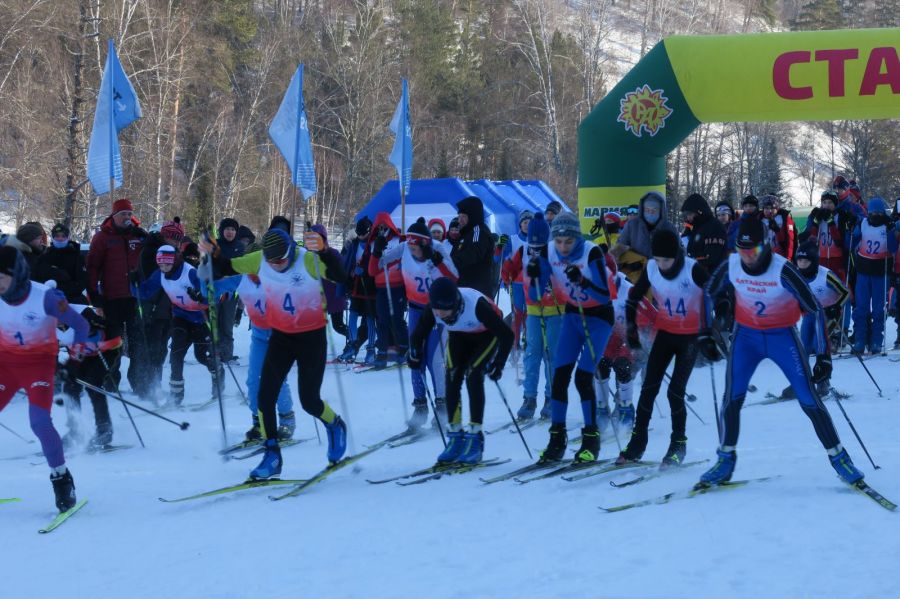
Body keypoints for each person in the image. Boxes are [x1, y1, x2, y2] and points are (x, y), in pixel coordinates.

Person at [697, 218, 865, 487]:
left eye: (753, 252)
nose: (747, 259)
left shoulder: (783, 270)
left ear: (766, 247)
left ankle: (839, 458)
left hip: (782, 337)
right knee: (732, 398)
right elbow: (707, 293)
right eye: (742, 252)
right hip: (746, 338)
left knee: (809, 400)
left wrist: (823, 355)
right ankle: (725, 460)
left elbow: (814, 308)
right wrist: (705, 332)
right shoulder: (732, 264)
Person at [203, 227, 349, 479]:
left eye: (280, 260)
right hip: (281, 336)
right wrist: (214, 254)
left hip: (311, 338)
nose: (276, 266)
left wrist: (325, 251)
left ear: (291, 251)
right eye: (271, 262)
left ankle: (335, 424)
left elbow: (340, 275)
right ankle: (272, 455)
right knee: (264, 396)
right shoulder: (260, 260)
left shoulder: (307, 259)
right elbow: (226, 267)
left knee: (309, 400)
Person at [0, 246, 91, 512]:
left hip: (38, 367)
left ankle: (61, 478)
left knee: (39, 422)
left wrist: (77, 353)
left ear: (15, 275)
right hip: (5, 366)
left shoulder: (46, 297)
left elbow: (81, 325)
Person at [617, 229, 708, 467]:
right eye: (657, 260)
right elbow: (634, 297)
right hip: (666, 334)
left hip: (689, 337)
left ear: (676, 256)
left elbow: (716, 292)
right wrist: (631, 330)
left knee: (675, 392)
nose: (661, 265)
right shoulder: (651, 268)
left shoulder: (691, 269)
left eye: (665, 260)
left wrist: (712, 326)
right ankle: (637, 443)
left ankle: (678, 444)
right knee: (648, 389)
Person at [531, 212, 614, 463]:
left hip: (598, 318)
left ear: (577, 237)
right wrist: (534, 273)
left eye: (568, 241)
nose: (563, 247)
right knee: (559, 378)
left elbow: (605, 295)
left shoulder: (591, 253)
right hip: (572, 316)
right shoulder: (548, 252)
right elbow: (536, 295)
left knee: (583, 377)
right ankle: (557, 439)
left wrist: (583, 282)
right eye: (559, 241)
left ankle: (591, 439)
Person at [409, 277, 513, 464]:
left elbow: (507, 335)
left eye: (444, 311)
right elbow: (419, 332)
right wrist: (414, 353)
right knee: (452, 377)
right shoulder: (436, 306)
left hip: (486, 335)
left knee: (473, 375)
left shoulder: (477, 306)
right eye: (437, 311)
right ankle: (456, 437)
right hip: (459, 335)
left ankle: (475, 438)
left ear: (455, 305)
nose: (440, 314)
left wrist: (499, 363)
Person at [375, 218, 457, 427]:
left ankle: (442, 406)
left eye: (415, 247)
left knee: (434, 360)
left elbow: (455, 278)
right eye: (409, 246)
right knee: (414, 358)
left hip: (438, 313)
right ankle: (420, 406)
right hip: (415, 310)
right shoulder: (404, 248)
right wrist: (377, 251)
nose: (411, 250)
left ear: (424, 244)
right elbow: (376, 267)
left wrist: (437, 261)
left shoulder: (438, 249)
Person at [216, 267, 296, 443]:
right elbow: (216, 288)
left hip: (280, 336)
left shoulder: (277, 277)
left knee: (277, 379)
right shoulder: (241, 278)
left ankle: (286, 419)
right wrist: (206, 289)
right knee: (253, 380)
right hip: (259, 337)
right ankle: (259, 422)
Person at [86, 198, 150, 398]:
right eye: (123, 214)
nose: (127, 218)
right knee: (114, 343)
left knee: (138, 343)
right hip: (111, 298)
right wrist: (94, 296)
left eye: (129, 214)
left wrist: (147, 238)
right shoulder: (102, 237)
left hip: (134, 297)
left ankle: (140, 384)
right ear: (114, 216)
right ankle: (111, 382)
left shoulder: (138, 235)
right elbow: (92, 268)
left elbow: (155, 253)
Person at [769, 242, 848, 399]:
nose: (802, 264)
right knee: (803, 348)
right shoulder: (796, 276)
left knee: (820, 345)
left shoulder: (825, 275)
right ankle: (800, 383)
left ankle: (823, 383)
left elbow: (844, 293)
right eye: (799, 261)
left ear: (814, 261)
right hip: (810, 315)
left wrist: (835, 306)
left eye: (806, 261)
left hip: (827, 315)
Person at [505, 213, 564, 420]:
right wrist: (508, 270)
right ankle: (529, 398)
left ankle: (551, 398)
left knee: (552, 356)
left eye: (539, 244)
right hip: (533, 312)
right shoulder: (522, 250)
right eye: (533, 243)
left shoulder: (555, 252)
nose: (535, 248)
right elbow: (512, 269)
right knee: (532, 355)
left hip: (555, 311)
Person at [60, 306, 122, 450]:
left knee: (93, 384)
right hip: (81, 355)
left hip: (105, 351)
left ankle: (104, 430)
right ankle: (75, 431)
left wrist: (97, 332)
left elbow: (116, 329)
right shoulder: (48, 324)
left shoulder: (84, 315)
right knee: (69, 386)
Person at [849, 197, 897, 355]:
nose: (874, 215)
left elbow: (893, 247)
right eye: (872, 212)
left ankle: (876, 340)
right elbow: (852, 239)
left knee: (878, 309)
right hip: (863, 271)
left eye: (878, 212)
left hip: (880, 273)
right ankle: (860, 340)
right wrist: (851, 228)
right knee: (861, 308)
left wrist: (891, 231)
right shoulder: (863, 223)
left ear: (883, 212)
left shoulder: (887, 225)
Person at [368, 212, 409, 368]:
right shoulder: (373, 244)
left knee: (397, 319)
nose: (382, 229)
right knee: (382, 320)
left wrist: (387, 262)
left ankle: (404, 348)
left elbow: (403, 258)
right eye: (379, 227)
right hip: (381, 288)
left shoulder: (399, 240)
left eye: (385, 226)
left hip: (397, 286)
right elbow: (372, 269)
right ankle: (382, 351)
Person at [611, 191, 677, 283]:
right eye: (647, 210)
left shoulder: (669, 228)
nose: (650, 213)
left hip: (662, 278)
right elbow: (619, 248)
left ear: (661, 211)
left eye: (654, 210)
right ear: (643, 209)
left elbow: (679, 253)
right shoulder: (632, 225)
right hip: (635, 277)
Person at [339, 217, 377, 364]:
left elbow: (377, 262)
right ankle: (352, 346)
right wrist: (350, 274)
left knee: (369, 319)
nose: (361, 236)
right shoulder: (354, 244)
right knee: (353, 316)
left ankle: (371, 350)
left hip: (370, 286)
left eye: (363, 234)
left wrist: (366, 270)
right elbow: (347, 261)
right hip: (356, 286)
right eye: (358, 233)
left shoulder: (374, 243)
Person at [501, 210, 534, 353]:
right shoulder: (513, 239)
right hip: (517, 282)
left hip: (533, 283)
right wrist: (499, 248)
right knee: (517, 313)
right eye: (525, 222)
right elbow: (502, 259)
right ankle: (515, 343)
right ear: (520, 225)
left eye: (530, 223)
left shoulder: (538, 240)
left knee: (530, 314)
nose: (527, 225)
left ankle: (529, 341)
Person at [451, 196, 496, 295]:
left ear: (472, 216)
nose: (460, 220)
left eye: (463, 216)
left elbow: (473, 254)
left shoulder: (478, 231)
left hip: (477, 290)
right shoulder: (466, 232)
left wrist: (450, 262)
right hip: (465, 287)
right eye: (459, 217)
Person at [33, 223, 87, 304]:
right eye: (57, 236)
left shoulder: (77, 256)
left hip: (72, 300)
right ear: (53, 238)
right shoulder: (45, 255)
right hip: (49, 299)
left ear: (68, 238)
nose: (60, 239)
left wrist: (61, 288)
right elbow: (39, 278)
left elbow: (82, 282)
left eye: (63, 236)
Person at [214, 218, 244, 362]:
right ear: (222, 231)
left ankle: (226, 354)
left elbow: (242, 269)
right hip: (215, 291)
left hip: (231, 293)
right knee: (214, 324)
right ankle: (212, 353)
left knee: (227, 324)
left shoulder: (240, 247)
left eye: (233, 229)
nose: (230, 232)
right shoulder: (215, 245)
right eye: (227, 229)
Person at [311, 224, 349, 338]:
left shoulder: (332, 253)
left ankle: (354, 340)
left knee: (338, 326)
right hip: (316, 298)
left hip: (334, 296)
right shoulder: (309, 256)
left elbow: (341, 272)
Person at [680, 193, 728, 271]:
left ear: (699, 212)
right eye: (686, 215)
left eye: (690, 214)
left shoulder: (715, 226)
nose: (688, 218)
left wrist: (689, 261)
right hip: (695, 274)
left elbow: (710, 257)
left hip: (713, 276)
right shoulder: (695, 227)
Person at [761, 195, 796, 260]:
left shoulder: (784, 219)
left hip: (779, 254)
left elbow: (789, 240)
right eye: (766, 208)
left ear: (777, 209)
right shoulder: (760, 219)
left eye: (772, 208)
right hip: (763, 254)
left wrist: (788, 258)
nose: (769, 211)